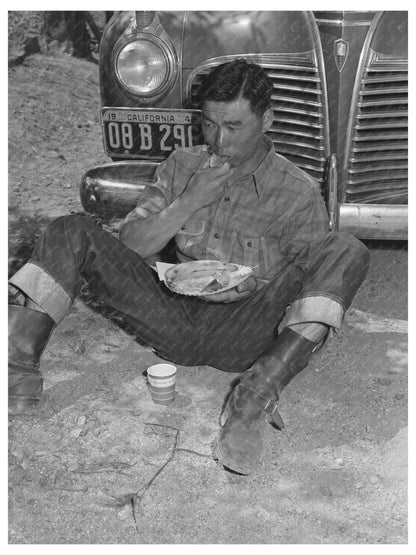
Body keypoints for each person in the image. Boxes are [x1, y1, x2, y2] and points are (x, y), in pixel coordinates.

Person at [8, 58, 369, 475]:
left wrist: (253, 289)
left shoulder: (297, 191)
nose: (219, 140)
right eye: (209, 124)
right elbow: (131, 246)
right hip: (172, 320)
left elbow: (306, 286)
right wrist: (190, 200)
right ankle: (16, 374)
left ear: (266, 119)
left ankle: (250, 403)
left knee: (345, 248)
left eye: (234, 126)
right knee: (70, 230)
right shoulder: (182, 165)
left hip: (243, 331)